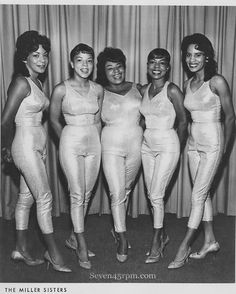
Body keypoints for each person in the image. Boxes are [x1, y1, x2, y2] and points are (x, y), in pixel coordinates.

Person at [1, 30, 71, 272]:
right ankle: (54, 254)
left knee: (26, 198)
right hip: (24, 145)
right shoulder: (21, 82)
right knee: (45, 198)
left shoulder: (36, 82)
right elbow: (5, 120)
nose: (42, 60)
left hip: (36, 146)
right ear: (24, 57)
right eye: (35, 55)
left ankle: (19, 249)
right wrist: (6, 149)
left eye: (45, 55)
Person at [168, 33, 235, 269]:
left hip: (213, 143)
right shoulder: (188, 84)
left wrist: (225, 151)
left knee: (197, 195)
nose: (192, 59)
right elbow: (184, 117)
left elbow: (230, 117)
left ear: (207, 57)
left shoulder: (217, 81)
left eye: (197, 54)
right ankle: (210, 241)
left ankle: (184, 246)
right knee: (203, 194)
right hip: (194, 144)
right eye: (188, 55)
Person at [49, 43, 103, 270]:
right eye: (79, 60)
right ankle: (81, 244)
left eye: (89, 60)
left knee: (87, 193)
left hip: (94, 143)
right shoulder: (61, 89)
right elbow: (52, 119)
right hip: (70, 140)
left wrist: (98, 143)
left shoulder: (98, 89)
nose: (85, 65)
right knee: (77, 193)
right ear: (72, 63)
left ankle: (72, 236)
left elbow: (99, 120)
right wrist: (65, 141)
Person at [139, 48, 187, 264]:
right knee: (152, 195)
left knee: (156, 196)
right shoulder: (144, 90)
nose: (156, 67)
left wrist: (179, 146)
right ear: (147, 66)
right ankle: (164, 234)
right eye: (152, 62)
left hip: (168, 144)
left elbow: (184, 121)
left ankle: (157, 242)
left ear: (168, 68)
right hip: (147, 146)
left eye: (161, 63)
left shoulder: (173, 90)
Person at [96, 47, 143, 262]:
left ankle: (117, 228)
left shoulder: (138, 88)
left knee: (125, 189)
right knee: (116, 192)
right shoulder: (99, 92)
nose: (116, 71)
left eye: (119, 66)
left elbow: (148, 115)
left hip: (136, 145)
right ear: (103, 71)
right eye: (110, 68)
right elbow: (93, 122)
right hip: (110, 146)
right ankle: (122, 238)